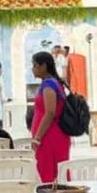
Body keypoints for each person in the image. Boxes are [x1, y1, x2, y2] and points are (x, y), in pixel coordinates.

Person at [31, 51, 70, 184]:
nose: (32, 69)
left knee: (50, 174)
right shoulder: (53, 83)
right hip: (50, 135)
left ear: (43, 66)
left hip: (50, 136)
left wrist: (38, 137)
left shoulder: (49, 85)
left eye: (35, 65)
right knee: (53, 174)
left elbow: (50, 113)